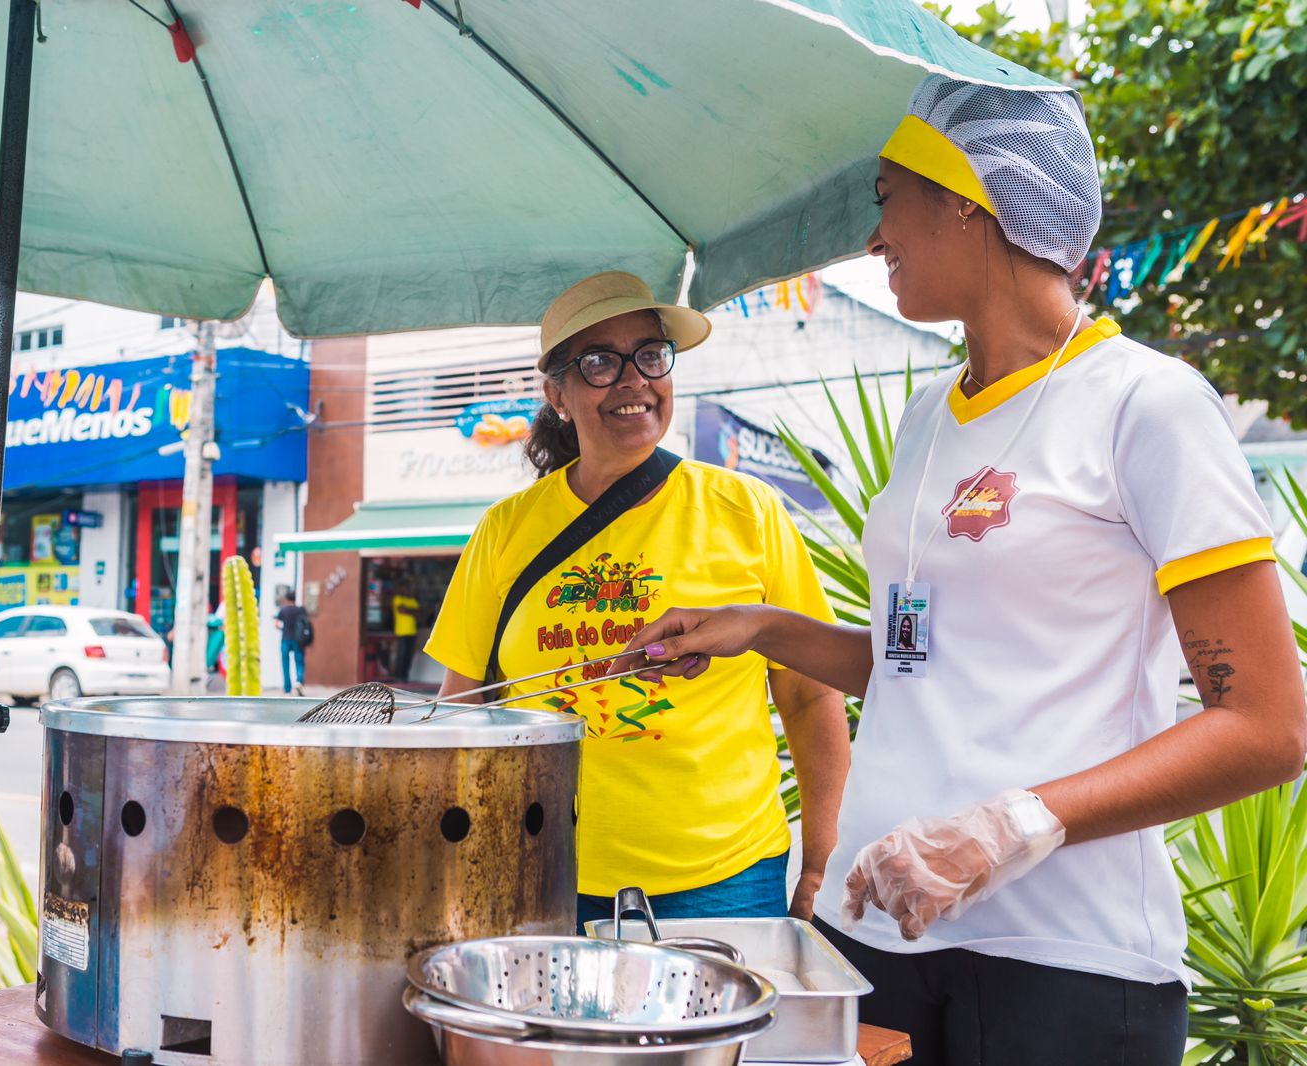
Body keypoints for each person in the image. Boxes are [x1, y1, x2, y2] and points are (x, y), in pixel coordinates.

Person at [622, 75, 1306, 1065]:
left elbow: (1265, 728)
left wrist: (1012, 825)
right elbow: (925, 672)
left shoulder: (1144, 406)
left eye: (886, 197)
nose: (873, 238)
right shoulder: (925, 419)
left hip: (1065, 957)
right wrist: (760, 626)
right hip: (883, 931)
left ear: (965, 200)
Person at [426, 271, 849, 929]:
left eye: (650, 355)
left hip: (725, 880)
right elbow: (463, 707)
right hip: (543, 873)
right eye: (599, 362)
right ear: (557, 395)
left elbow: (811, 692)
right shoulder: (506, 529)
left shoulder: (746, 509)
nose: (633, 380)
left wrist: (824, 855)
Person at [275, 590, 307, 696]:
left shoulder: (283, 610)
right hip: (298, 640)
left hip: (285, 638)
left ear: (287, 599)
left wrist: (283, 628)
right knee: (299, 661)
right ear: (294, 599)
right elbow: (305, 622)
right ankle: (298, 681)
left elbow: (277, 624)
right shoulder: (300, 610)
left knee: (285, 663)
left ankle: (287, 689)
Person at [390, 581, 421, 681]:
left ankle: (405, 676)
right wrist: (412, 611)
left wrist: (408, 610)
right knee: (401, 655)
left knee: (408, 656)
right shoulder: (398, 599)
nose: (407, 590)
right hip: (402, 632)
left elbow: (419, 612)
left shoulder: (412, 600)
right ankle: (398, 676)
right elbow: (402, 610)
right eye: (405, 588)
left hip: (412, 632)